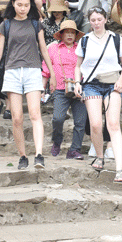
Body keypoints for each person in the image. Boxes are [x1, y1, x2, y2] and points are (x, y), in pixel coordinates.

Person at [0, 0, 56, 170]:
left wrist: (53, 73)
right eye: (19, 5)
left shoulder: (35, 24)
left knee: (35, 114)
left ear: (30, 6)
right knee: (16, 118)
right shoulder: (6, 25)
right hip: (12, 72)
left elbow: (43, 48)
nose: (23, 8)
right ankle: (23, 156)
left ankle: (39, 155)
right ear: (13, 5)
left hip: (33, 71)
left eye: (26, 5)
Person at [74, 7, 122, 182]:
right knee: (96, 124)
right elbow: (77, 65)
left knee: (113, 124)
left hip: (112, 84)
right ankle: (100, 156)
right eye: (93, 20)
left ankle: (120, 168)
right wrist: (77, 82)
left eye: (99, 19)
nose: (96, 23)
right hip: (91, 85)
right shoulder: (85, 41)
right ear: (89, 21)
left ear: (105, 19)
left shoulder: (116, 39)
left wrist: (121, 80)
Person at [42, 20, 88, 160]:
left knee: (80, 121)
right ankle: (57, 140)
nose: (69, 35)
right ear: (61, 34)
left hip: (78, 89)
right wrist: (42, 88)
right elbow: (46, 69)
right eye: (67, 32)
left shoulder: (81, 49)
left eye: (72, 32)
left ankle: (74, 150)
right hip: (60, 89)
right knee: (58, 118)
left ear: (76, 35)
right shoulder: (53, 49)